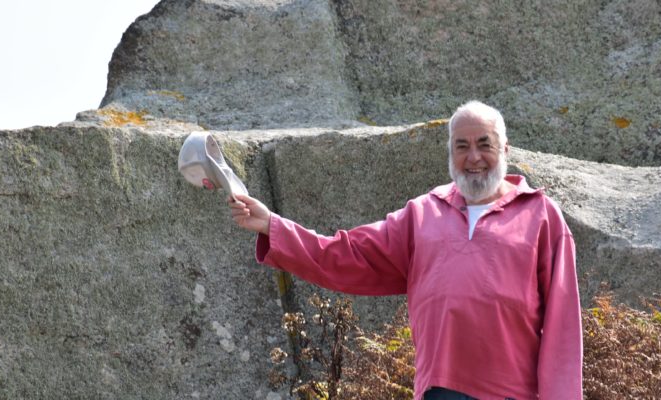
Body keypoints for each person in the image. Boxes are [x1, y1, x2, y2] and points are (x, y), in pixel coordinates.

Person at [229, 101, 583, 400]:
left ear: (505, 149)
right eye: (461, 146)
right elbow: (347, 254)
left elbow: (562, 327)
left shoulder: (540, 216)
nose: (473, 157)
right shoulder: (423, 214)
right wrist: (272, 225)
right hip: (439, 391)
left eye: (484, 144)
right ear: (450, 153)